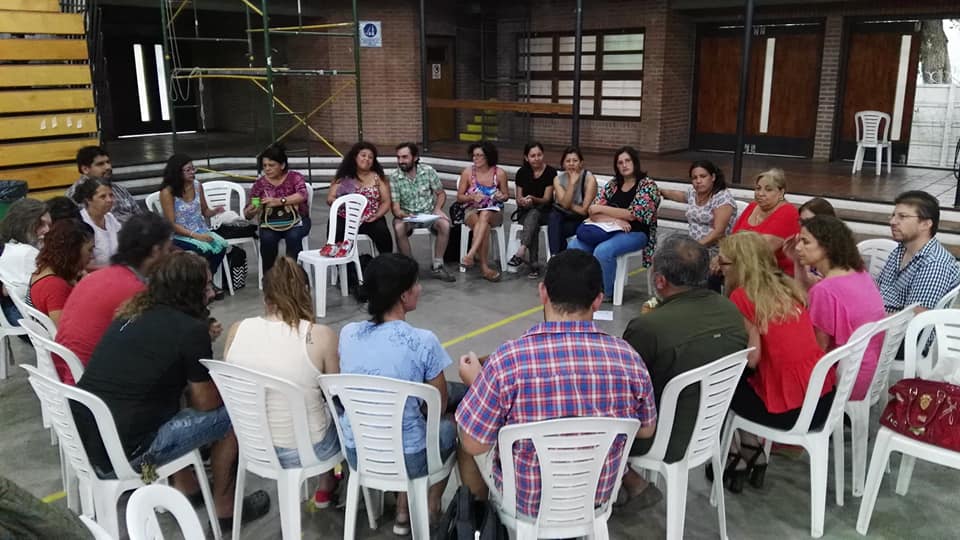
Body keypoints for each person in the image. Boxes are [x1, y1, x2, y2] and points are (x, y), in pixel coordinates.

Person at [74, 251, 270, 530]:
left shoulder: (130, 313)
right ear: (189, 291)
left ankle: (186, 487)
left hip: (86, 443)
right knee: (233, 416)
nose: (212, 292)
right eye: (206, 285)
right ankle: (226, 510)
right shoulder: (190, 331)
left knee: (173, 392)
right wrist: (231, 387)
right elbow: (205, 403)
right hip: (127, 455)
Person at [456, 250, 657, 516]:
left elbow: (474, 444)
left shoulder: (508, 360)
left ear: (543, 292)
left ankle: (479, 519)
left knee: (465, 428)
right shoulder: (628, 358)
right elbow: (645, 429)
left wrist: (477, 384)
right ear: (598, 300)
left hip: (527, 501)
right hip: (597, 496)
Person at [621, 236, 747, 505]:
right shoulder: (730, 310)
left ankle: (619, 483)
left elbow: (623, 392)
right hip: (709, 430)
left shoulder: (649, 328)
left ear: (660, 281)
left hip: (660, 437)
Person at [337, 253, 456, 534]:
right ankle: (428, 506)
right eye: (416, 284)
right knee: (454, 421)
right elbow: (436, 407)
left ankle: (403, 507)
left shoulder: (348, 333)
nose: (420, 289)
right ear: (403, 295)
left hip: (357, 451)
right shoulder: (423, 341)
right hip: (409, 457)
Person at [717, 232, 830, 493]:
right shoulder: (788, 287)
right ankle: (751, 450)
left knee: (720, 384)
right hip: (820, 398)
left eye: (723, 263)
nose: (719, 268)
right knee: (740, 383)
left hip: (791, 412)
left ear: (740, 266)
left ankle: (734, 457)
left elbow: (752, 358)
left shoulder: (743, 297)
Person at [224, 256, 341, 508]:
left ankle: (327, 482)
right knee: (342, 416)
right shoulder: (320, 336)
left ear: (265, 296)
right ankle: (328, 483)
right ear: (306, 292)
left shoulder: (236, 329)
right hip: (307, 451)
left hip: (252, 445)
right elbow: (335, 396)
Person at [54, 213, 174, 384]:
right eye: (168, 249)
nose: (169, 256)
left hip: (67, 378)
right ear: (155, 251)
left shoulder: (95, 278)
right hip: (93, 386)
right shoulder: (137, 291)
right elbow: (161, 344)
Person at [795, 216, 885, 400]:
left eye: (805, 242)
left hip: (845, 380)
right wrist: (798, 263)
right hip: (869, 369)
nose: (797, 247)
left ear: (827, 246)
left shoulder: (824, 290)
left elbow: (818, 350)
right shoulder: (860, 274)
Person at [567, 146, 661, 301]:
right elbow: (592, 211)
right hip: (608, 228)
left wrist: (603, 209)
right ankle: (582, 286)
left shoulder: (647, 185)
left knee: (603, 251)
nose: (624, 165)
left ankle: (606, 292)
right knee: (574, 246)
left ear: (635, 162)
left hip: (635, 232)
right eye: (620, 162)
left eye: (627, 161)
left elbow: (633, 215)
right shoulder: (613, 185)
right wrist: (615, 219)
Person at [877, 190, 960, 314]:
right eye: (893, 215)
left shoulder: (934, 264)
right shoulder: (900, 250)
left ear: (926, 224)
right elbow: (877, 289)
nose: (892, 221)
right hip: (877, 316)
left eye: (902, 216)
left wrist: (867, 318)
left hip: (894, 325)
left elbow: (914, 317)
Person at [659, 160, 737, 291]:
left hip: (715, 249)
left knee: (683, 263)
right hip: (694, 245)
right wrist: (662, 191)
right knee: (666, 253)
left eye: (703, 176)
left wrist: (695, 247)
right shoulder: (694, 193)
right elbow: (681, 196)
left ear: (713, 177)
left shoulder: (722, 198)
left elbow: (718, 232)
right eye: (694, 178)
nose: (698, 181)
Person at [389, 142, 455, 282]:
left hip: (428, 213)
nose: (401, 161)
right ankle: (410, 268)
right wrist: (403, 215)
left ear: (415, 157)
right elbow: (395, 207)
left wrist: (437, 209)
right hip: (407, 215)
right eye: (398, 157)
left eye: (405, 157)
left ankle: (438, 265)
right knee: (399, 227)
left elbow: (441, 193)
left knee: (444, 224)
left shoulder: (428, 171)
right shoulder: (394, 177)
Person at [159, 154, 227, 286]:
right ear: (177, 172)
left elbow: (205, 211)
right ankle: (202, 284)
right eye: (188, 170)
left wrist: (214, 211)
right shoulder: (167, 192)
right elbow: (171, 224)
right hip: (179, 235)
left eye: (193, 168)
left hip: (200, 229)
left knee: (221, 246)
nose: (192, 172)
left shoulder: (197, 186)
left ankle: (208, 281)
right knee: (203, 251)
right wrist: (196, 236)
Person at [243, 143, 311, 275]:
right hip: (270, 222)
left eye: (271, 165)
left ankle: (291, 275)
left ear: (282, 165)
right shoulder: (260, 184)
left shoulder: (295, 177)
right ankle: (270, 277)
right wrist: (251, 210)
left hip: (297, 220)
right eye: (264, 166)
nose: (267, 169)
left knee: (293, 236)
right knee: (267, 239)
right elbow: (250, 209)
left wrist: (279, 201)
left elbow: (302, 195)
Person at [327, 141, 393, 255]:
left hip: (370, 218)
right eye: (363, 155)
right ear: (355, 157)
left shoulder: (378, 178)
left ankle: (386, 261)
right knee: (336, 230)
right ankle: (342, 263)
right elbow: (330, 198)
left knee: (382, 233)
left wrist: (377, 215)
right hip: (345, 217)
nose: (367, 159)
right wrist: (341, 203)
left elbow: (386, 201)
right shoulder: (343, 177)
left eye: (370, 157)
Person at [731, 168, 800, 276]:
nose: (760, 193)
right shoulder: (753, 206)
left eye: (768, 190)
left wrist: (730, 259)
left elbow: (762, 249)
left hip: (776, 274)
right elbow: (732, 237)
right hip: (744, 265)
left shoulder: (788, 212)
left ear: (781, 192)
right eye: (758, 188)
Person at [457, 141, 509, 282]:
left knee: (485, 214)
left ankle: (471, 254)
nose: (475, 159)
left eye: (479, 155)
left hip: (494, 211)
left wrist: (500, 196)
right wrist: (471, 197)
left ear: (488, 156)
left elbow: (506, 196)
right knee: (483, 226)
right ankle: (485, 268)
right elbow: (459, 197)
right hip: (472, 209)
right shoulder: (468, 172)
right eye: (474, 155)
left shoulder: (499, 173)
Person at [27, 219, 94, 326]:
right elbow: (65, 329)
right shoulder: (55, 286)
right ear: (72, 251)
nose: (92, 256)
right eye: (90, 250)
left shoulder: (44, 268)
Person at [508, 142, 557, 279]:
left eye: (539, 155)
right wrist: (523, 201)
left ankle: (522, 251)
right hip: (525, 211)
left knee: (534, 215)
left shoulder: (550, 172)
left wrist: (533, 199)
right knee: (532, 218)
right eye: (533, 156)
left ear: (543, 155)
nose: (536, 158)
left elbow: (547, 199)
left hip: (545, 211)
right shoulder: (522, 173)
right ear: (526, 158)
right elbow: (518, 198)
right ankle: (533, 263)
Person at [0, 199, 51, 326]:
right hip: (31, 321)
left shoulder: (10, 247)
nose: (47, 230)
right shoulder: (26, 253)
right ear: (23, 224)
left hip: (19, 316)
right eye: (41, 224)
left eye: (49, 224)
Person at [65, 146, 143, 223]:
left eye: (108, 162)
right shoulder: (75, 195)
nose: (108, 167)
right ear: (85, 169)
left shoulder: (118, 188)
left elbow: (139, 215)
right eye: (100, 164)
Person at [548, 146, 597, 255]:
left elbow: (584, 210)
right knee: (554, 218)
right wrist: (571, 183)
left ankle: (556, 258)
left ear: (581, 163)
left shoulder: (589, 179)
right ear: (563, 164)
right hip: (563, 216)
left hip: (581, 219)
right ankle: (557, 257)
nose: (571, 164)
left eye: (575, 161)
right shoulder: (558, 179)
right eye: (568, 161)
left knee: (556, 230)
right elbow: (564, 205)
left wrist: (565, 201)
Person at [73, 177, 120, 269]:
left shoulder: (110, 218)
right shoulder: (80, 222)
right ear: (88, 200)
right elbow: (82, 264)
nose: (109, 200)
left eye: (111, 195)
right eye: (103, 196)